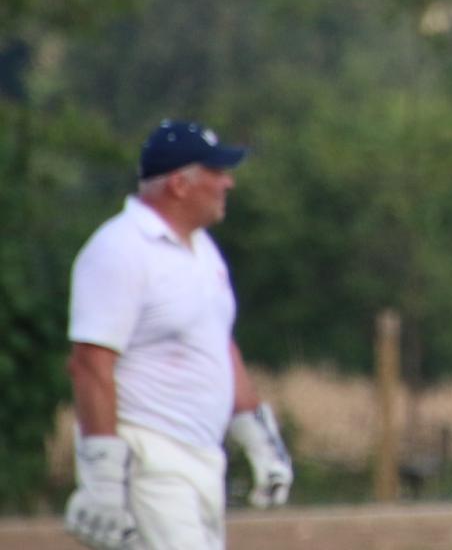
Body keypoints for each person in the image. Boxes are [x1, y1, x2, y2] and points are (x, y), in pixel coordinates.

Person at [65, 119, 294, 550]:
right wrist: (103, 480)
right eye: (217, 172)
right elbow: (90, 363)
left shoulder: (202, 250)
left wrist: (259, 438)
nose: (228, 183)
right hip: (149, 458)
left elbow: (217, 343)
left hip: (202, 458)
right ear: (179, 184)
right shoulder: (119, 249)